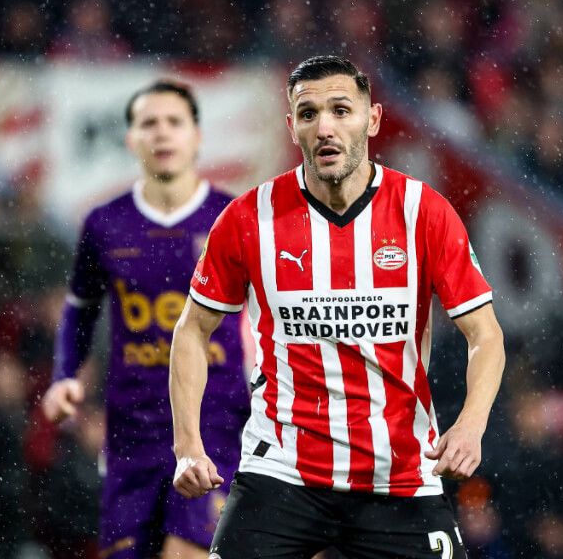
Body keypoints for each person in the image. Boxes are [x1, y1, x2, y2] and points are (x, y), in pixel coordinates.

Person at [170, 55, 506, 559]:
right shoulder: (247, 219)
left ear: (371, 120)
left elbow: (486, 335)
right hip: (282, 471)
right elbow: (193, 331)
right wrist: (186, 446)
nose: (325, 127)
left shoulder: (424, 213)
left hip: (399, 473)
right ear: (292, 127)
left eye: (341, 110)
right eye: (308, 114)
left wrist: (471, 425)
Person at [40, 80, 250, 559]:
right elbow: (80, 306)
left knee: (187, 551)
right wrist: (64, 377)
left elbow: (272, 315)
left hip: (213, 424)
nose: (162, 133)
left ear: (197, 136)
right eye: (148, 123)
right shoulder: (105, 224)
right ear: (131, 139)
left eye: (174, 122)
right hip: (131, 432)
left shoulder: (233, 219)